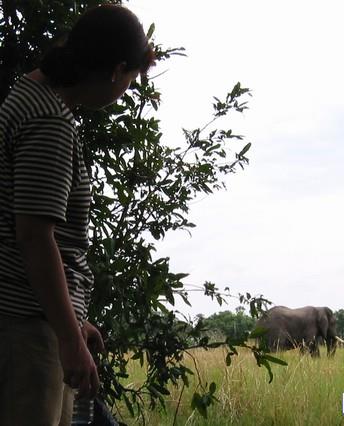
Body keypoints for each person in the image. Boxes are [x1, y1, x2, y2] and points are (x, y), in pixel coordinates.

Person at [0, 4, 155, 425]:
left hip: (39, 320)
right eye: (129, 80)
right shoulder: (50, 120)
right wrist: (68, 339)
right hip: (31, 332)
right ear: (116, 70)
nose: (124, 90)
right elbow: (34, 237)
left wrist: (73, 320)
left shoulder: (31, 96)